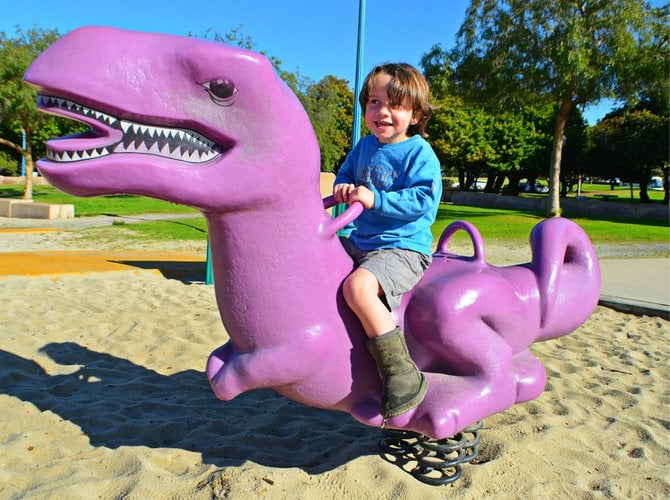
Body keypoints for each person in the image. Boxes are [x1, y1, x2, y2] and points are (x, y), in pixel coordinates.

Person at [333, 63, 442, 420]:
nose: (382, 112)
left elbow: (424, 200)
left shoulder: (418, 154)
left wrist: (375, 199)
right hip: (361, 239)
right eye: (374, 102)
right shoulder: (364, 146)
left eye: (395, 104)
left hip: (402, 247)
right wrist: (344, 187)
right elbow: (346, 176)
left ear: (415, 114)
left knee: (359, 288)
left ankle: (402, 374)